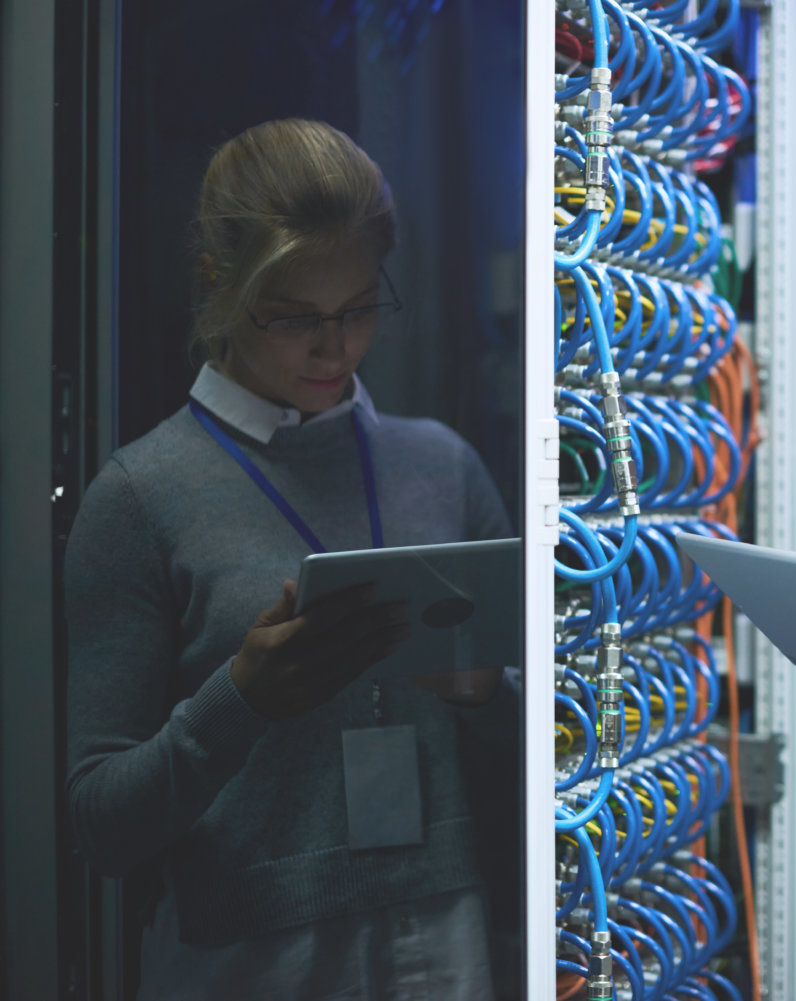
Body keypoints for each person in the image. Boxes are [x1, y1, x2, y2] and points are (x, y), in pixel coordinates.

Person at [65, 118, 515, 1000]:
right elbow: (101, 825)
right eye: (294, 317)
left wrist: (489, 692)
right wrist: (238, 701)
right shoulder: (140, 497)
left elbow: (560, 744)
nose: (334, 347)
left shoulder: (441, 464)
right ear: (218, 283)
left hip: (446, 931)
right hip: (246, 957)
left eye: (356, 309)